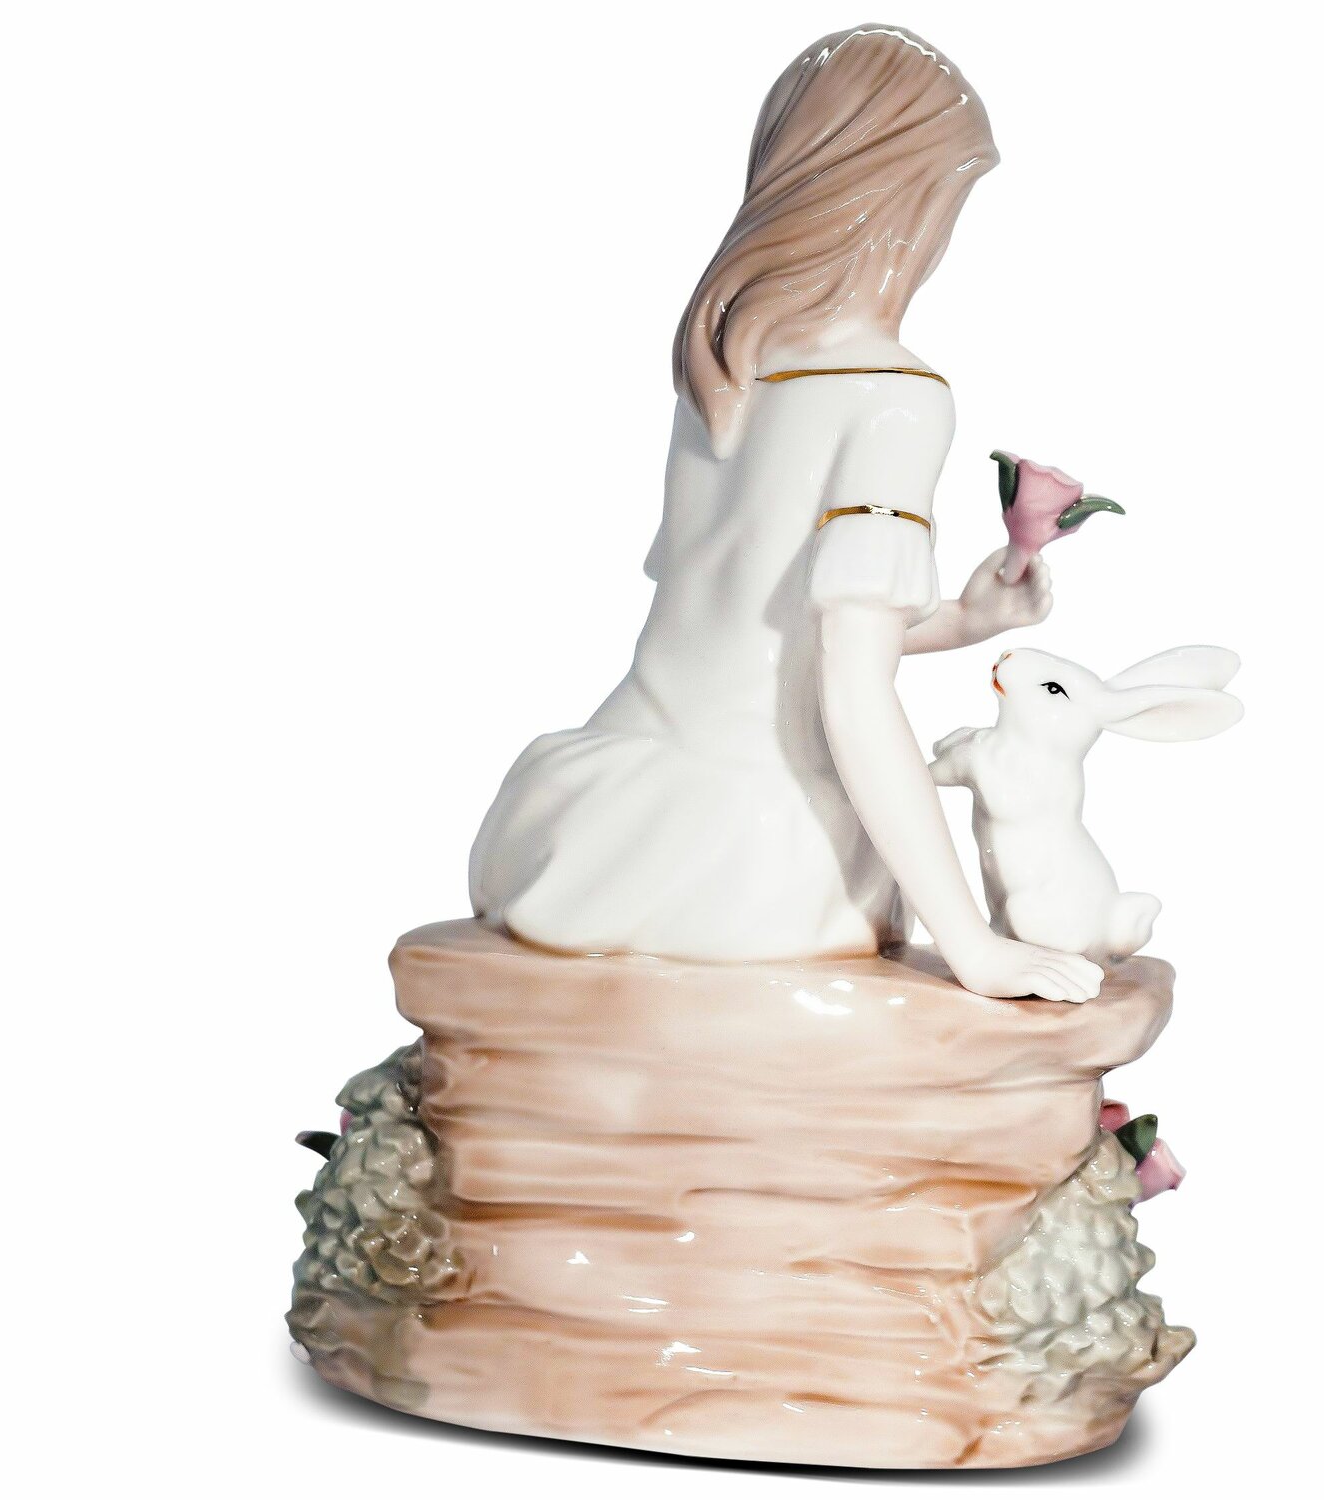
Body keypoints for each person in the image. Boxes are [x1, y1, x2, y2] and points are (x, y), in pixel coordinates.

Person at [469, 25, 1102, 1001]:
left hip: (587, 817)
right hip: (747, 857)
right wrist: (971, 944)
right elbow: (850, 692)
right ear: (905, 199)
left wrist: (963, 623)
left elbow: (752, 632)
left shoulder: (721, 374)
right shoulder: (895, 395)